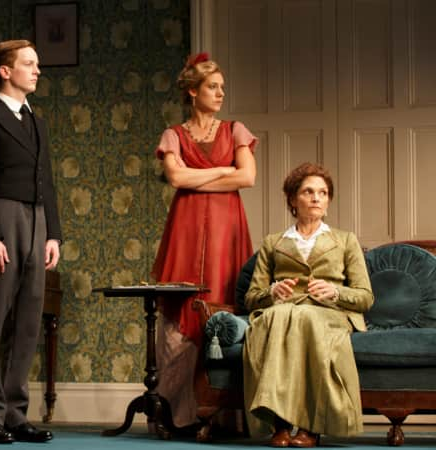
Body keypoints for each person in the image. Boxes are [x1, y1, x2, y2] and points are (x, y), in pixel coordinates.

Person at [0, 39, 61, 444]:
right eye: (29, 64)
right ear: (6, 70)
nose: (37, 70)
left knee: (28, 321)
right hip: (2, 217)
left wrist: (53, 233)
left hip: (37, 220)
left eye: (37, 64)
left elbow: (47, 181)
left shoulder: (37, 121)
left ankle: (15, 415)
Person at [151, 52, 257, 429]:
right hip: (187, 228)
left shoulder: (235, 130)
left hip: (227, 230)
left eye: (222, 87)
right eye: (213, 87)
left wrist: (202, 173)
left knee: (226, 301)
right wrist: (223, 169)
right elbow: (177, 180)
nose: (220, 93)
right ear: (193, 91)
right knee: (182, 311)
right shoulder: (173, 135)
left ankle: (225, 416)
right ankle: (177, 415)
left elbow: (247, 178)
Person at [243, 163, 374, 447]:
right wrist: (273, 291)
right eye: (308, 192)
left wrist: (335, 293)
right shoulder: (273, 242)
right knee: (278, 317)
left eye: (323, 193)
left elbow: (365, 296)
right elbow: (252, 297)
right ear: (293, 200)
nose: (317, 198)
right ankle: (279, 423)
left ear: (328, 201)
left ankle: (309, 426)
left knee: (306, 319)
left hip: (327, 314)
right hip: (283, 311)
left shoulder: (345, 240)